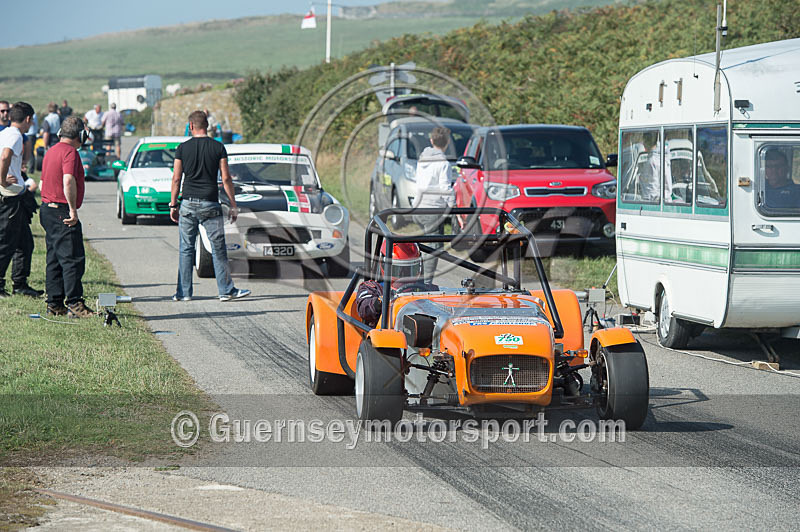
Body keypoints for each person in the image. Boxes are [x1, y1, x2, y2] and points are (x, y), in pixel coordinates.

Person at [169, 110, 249, 302]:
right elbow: (227, 178)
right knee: (218, 248)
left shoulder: (182, 148)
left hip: (187, 203)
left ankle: (184, 293)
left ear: (191, 126)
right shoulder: (218, 147)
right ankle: (225, 290)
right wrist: (233, 203)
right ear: (208, 126)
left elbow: (176, 178)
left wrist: (173, 205)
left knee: (186, 248)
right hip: (210, 203)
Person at [38, 115, 94, 318]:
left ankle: (54, 303)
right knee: (72, 259)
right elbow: (68, 180)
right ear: (81, 135)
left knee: (54, 258)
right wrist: (72, 210)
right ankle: (74, 303)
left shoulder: (51, 151)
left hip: (48, 209)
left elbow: (43, 182)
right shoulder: (71, 153)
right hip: (62, 210)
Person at [0, 101, 37, 299]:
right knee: (6, 242)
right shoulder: (14, 136)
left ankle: (20, 284)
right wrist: (2, 179)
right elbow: (5, 156)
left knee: (25, 243)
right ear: (28, 119)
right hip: (10, 197)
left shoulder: (4, 133)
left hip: (17, 195)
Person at [356, 242, 435, 327]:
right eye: (398, 270)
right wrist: (380, 302)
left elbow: (443, 297)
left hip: (419, 332)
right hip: (385, 334)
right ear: (384, 266)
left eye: (409, 270)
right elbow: (364, 308)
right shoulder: (373, 289)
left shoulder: (426, 290)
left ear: (418, 267)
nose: (403, 276)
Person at [412, 126, 454, 284]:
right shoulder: (443, 163)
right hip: (432, 209)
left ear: (431, 140)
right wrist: (453, 206)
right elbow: (445, 188)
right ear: (447, 142)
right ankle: (424, 284)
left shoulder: (423, 159)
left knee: (423, 247)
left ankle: (417, 278)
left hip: (417, 207)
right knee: (434, 248)